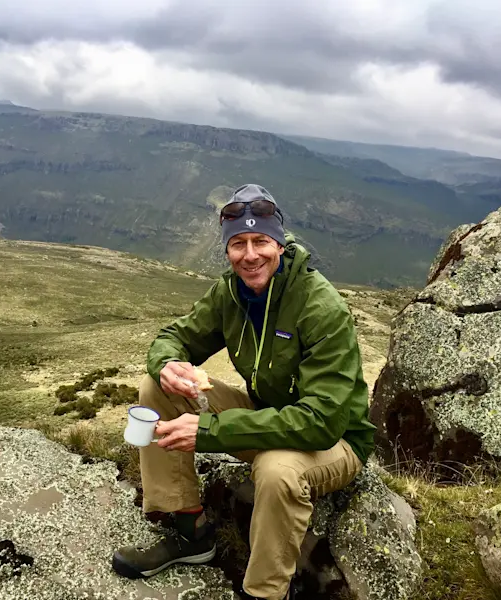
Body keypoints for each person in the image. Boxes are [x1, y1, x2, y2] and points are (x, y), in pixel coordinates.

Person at [112, 184, 376, 600]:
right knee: (155, 387)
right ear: (227, 250)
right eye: (238, 244)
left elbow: (321, 422)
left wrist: (210, 431)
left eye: (261, 242)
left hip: (334, 439)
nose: (250, 255)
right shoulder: (231, 293)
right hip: (266, 413)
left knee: (276, 472)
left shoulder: (319, 307)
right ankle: (190, 531)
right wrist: (168, 365)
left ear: (280, 243)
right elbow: (175, 337)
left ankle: (265, 592)